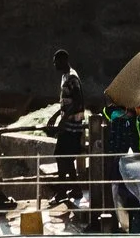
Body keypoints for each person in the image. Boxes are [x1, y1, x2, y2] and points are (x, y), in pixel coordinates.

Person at [53, 50, 87, 200]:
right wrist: (55, 116)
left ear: (64, 60)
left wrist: (64, 119)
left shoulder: (72, 77)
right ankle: (75, 188)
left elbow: (78, 101)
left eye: (56, 61)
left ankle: (61, 191)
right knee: (66, 157)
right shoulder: (64, 77)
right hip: (68, 123)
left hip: (73, 125)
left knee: (60, 156)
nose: (54, 64)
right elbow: (66, 102)